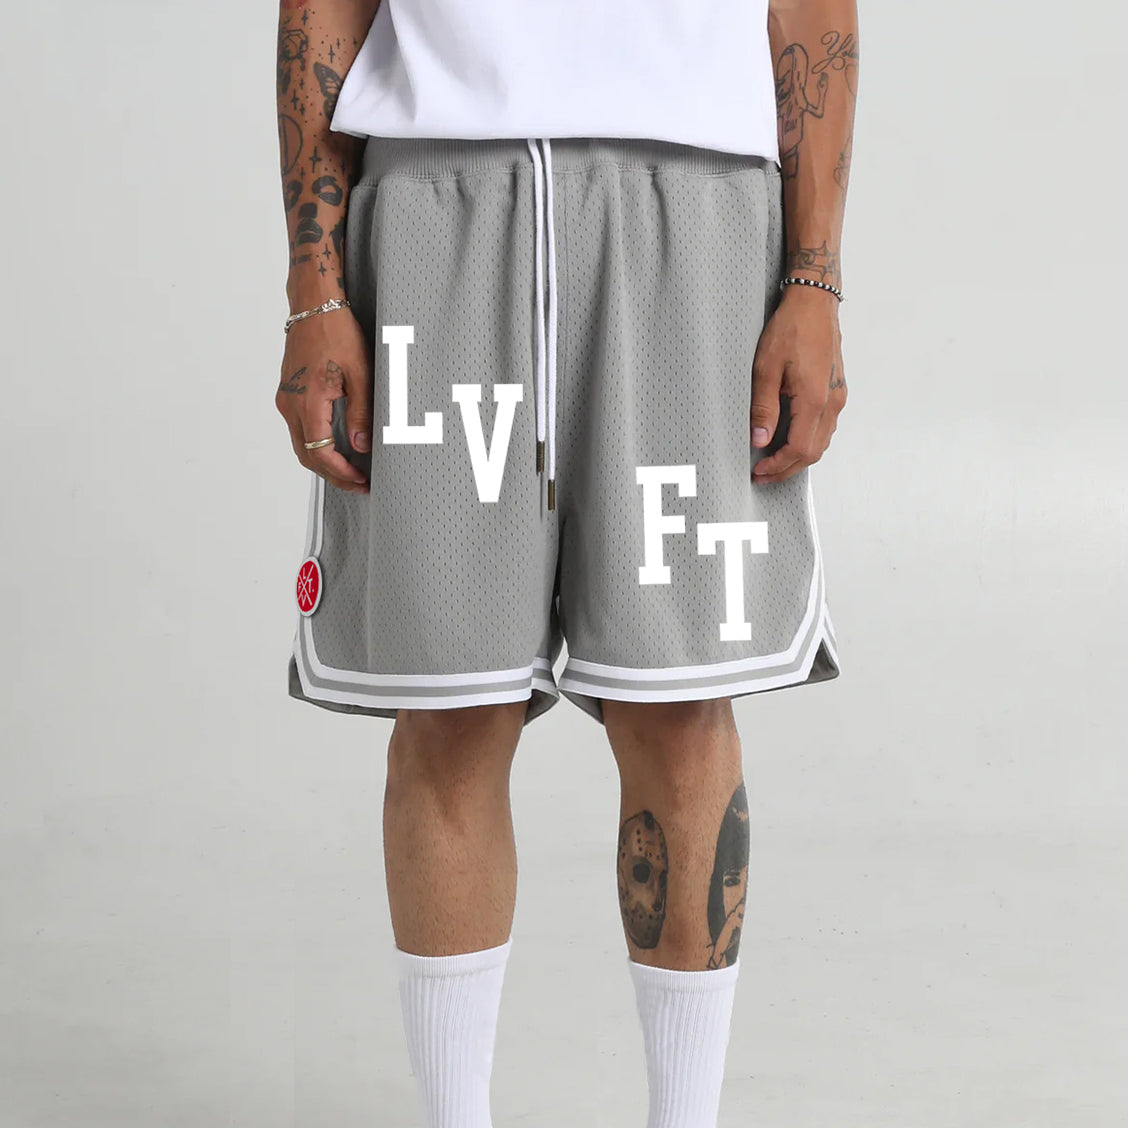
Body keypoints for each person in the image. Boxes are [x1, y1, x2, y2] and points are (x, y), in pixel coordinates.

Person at [275, 0, 857, 1124]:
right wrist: (316, 289)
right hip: (441, 199)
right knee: (448, 707)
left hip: (694, 207)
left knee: (679, 705)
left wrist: (815, 278)